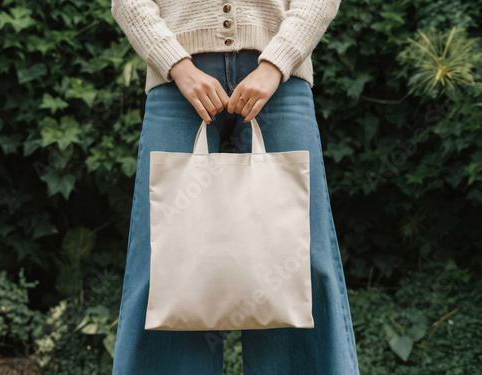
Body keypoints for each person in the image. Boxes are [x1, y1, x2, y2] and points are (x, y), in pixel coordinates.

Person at [110, 0, 360, 374]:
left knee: (301, 261)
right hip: (177, 82)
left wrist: (277, 61)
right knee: (165, 265)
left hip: (281, 80)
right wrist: (176, 64)